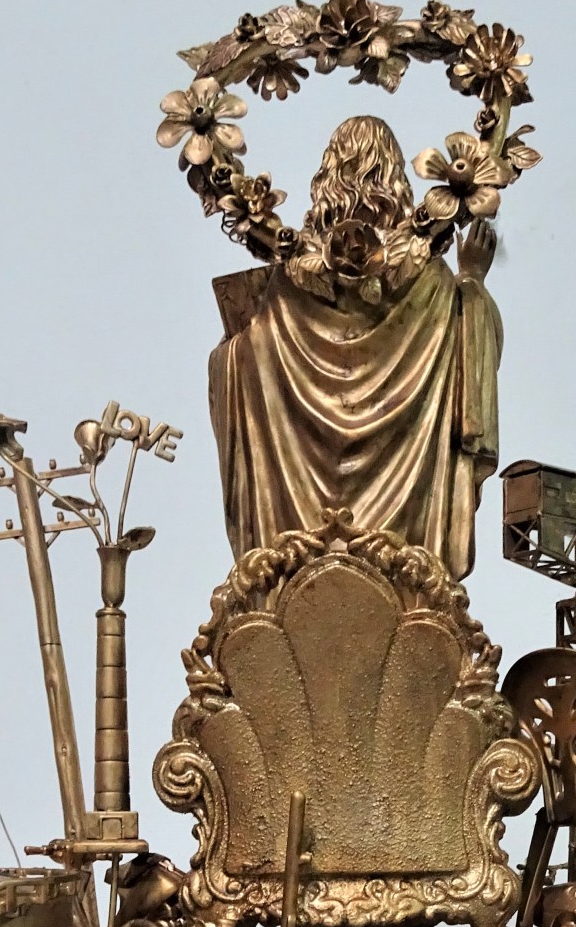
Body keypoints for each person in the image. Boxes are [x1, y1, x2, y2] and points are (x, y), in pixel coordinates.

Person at [208, 115, 502, 580]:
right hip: (406, 560)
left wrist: (234, 350)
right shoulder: (430, 279)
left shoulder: (292, 279)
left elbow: (242, 359)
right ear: (397, 178)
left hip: (296, 562)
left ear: (328, 175)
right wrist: (472, 280)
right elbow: (471, 358)